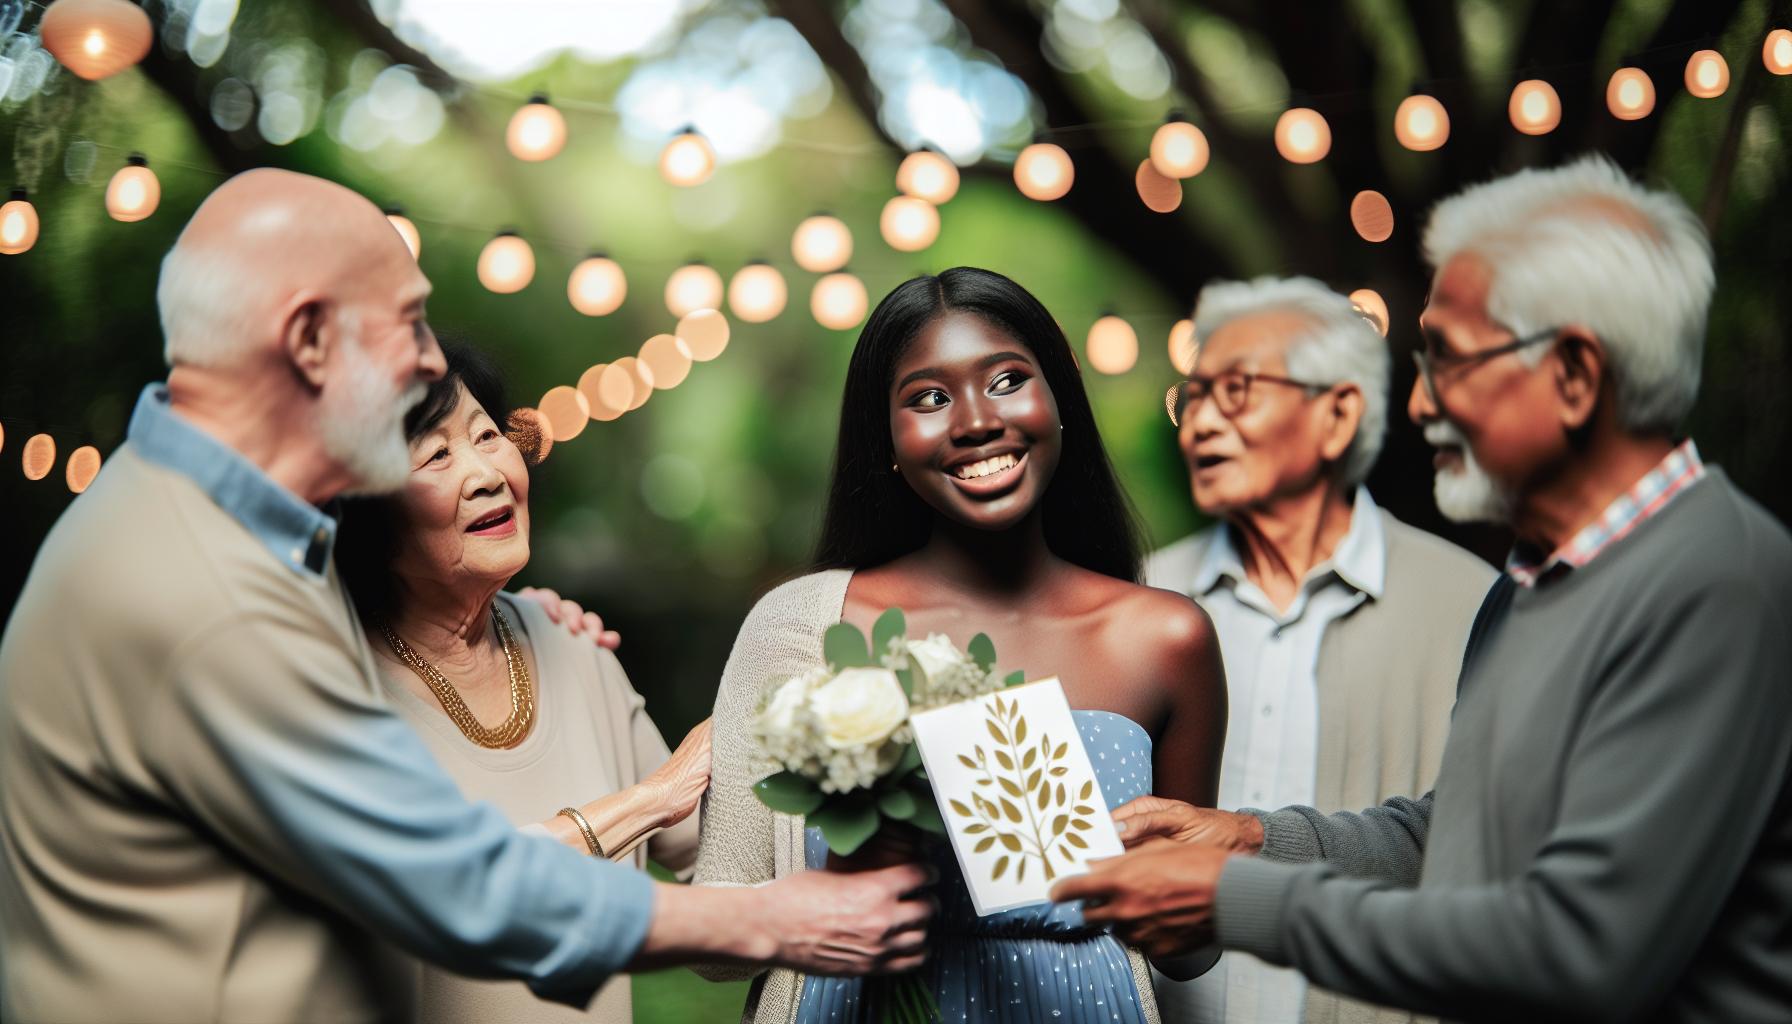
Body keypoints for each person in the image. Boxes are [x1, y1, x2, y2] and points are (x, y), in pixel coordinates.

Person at [0, 168, 934, 1022]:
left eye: (483, 436)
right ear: (310, 339)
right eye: (407, 322)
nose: (424, 362)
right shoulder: (206, 593)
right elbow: (459, 883)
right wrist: (779, 919)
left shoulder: (198, 530)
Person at [1053, 156, 1792, 1022]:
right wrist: (1252, 840)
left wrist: (1234, 898)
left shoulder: (1716, 583)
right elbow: (1459, 837)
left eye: (1448, 358)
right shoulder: (1532, 585)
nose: (1418, 404)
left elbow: (1580, 952)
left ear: (1576, 375)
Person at [696, 266, 1228, 1024]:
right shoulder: (801, 626)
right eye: (929, 398)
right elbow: (715, 945)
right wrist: (847, 874)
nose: (976, 420)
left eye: (1008, 380)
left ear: (1060, 400)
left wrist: (1168, 889)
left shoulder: (1165, 637)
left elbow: (1189, 953)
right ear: (886, 435)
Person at [1144, 276, 1493, 1023]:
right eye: (1190, 397)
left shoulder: (1474, 607)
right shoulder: (1139, 603)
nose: (1197, 425)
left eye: (1233, 392)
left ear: (1336, 415)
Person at [334, 341, 710, 1023]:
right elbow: (448, 888)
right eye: (436, 456)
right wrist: (653, 797)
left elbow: (721, 895)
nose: (486, 474)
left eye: (486, 436)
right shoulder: (335, 691)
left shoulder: (575, 647)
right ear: (366, 514)